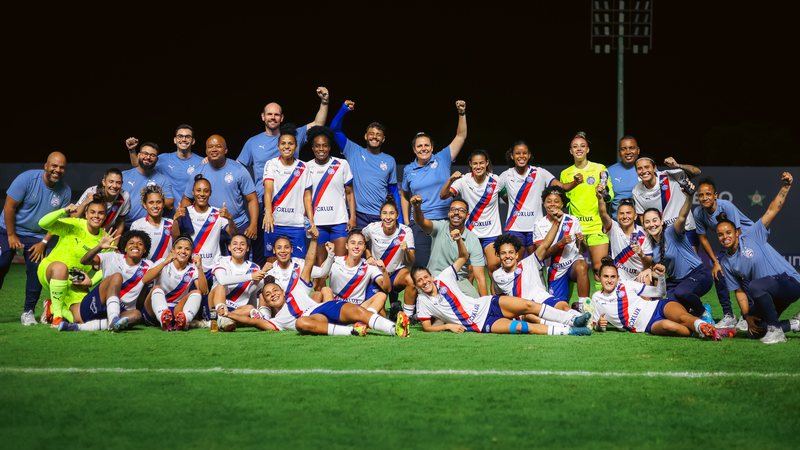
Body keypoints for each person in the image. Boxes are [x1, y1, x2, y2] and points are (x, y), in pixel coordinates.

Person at [411, 227, 591, 335]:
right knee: (522, 327)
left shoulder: (444, 277)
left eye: (425, 277)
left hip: (487, 304)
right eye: (419, 281)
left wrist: (458, 240)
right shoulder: (423, 302)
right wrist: (448, 326)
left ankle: (571, 320)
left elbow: (463, 255)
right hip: (478, 324)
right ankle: (568, 332)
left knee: (528, 305)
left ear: (431, 277)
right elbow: (427, 327)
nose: (424, 282)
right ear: (416, 285)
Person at [238, 87, 329, 265]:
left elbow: (318, 124)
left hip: (292, 206)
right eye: (269, 114)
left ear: (282, 118)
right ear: (263, 117)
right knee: (262, 253)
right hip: (262, 203)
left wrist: (324, 102)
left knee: (294, 254)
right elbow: (238, 167)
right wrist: (209, 161)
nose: (273, 117)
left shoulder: (294, 135)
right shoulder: (253, 142)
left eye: (276, 114)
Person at [717, 172, 800, 344]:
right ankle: (795, 324)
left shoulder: (752, 235)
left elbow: (772, 209)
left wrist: (786, 187)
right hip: (769, 293)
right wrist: (747, 317)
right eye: (720, 235)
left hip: (789, 282)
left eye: (728, 232)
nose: (725, 237)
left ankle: (776, 330)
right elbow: (739, 292)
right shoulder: (725, 261)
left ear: (736, 232)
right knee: (755, 331)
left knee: (754, 286)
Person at [0, 152, 71, 325]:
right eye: (54, 166)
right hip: (8, 229)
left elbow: (59, 222)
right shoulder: (26, 179)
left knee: (36, 271)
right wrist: (11, 235)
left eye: (61, 167)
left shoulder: (65, 191)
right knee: (1, 264)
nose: (57, 170)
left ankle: (28, 312)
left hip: (37, 236)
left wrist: (44, 242)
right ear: (46, 166)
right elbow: (9, 207)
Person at [400, 100, 467, 267]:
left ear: (432, 147)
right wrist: (408, 220)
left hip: (445, 221)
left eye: (426, 145)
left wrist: (461, 113)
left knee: (447, 266)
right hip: (421, 222)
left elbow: (461, 136)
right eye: (419, 146)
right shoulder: (409, 170)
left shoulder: (443, 158)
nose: (423, 148)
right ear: (414, 150)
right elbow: (404, 195)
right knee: (421, 265)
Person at [592, 258, 724, 339]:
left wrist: (660, 277)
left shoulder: (626, 284)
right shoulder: (596, 298)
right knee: (671, 327)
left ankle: (703, 327)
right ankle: (699, 324)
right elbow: (598, 325)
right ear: (599, 277)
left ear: (618, 278)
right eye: (606, 276)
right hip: (647, 325)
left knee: (683, 318)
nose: (609, 280)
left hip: (658, 306)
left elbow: (659, 292)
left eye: (613, 277)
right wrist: (599, 325)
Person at [244, 275, 410, 337]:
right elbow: (253, 322)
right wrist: (226, 314)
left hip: (323, 307)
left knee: (358, 311)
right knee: (301, 323)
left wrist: (314, 240)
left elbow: (309, 267)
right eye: (268, 294)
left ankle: (394, 329)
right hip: (315, 319)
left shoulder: (296, 291)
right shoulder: (276, 321)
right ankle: (352, 331)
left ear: (282, 290)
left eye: (275, 290)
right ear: (265, 300)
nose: (273, 294)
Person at [642, 180, 714, 322]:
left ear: (661, 221)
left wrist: (689, 197)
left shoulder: (671, 232)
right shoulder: (652, 246)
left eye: (655, 220)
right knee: (672, 302)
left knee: (682, 292)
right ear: (644, 226)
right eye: (647, 222)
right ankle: (693, 315)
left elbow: (682, 216)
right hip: (677, 281)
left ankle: (703, 312)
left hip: (698, 274)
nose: (652, 224)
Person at [58, 230, 156, 332]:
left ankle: (80, 327)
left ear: (144, 250)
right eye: (131, 243)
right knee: (117, 277)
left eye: (140, 244)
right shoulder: (112, 256)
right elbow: (84, 261)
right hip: (100, 301)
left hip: (120, 311)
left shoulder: (149, 266)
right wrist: (98, 247)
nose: (135, 245)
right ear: (125, 248)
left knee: (136, 315)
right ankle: (113, 318)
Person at [36, 197, 113, 326]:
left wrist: (91, 281)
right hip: (52, 270)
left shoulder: (106, 239)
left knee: (84, 319)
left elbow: (107, 267)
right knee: (61, 268)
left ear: (105, 216)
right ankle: (58, 317)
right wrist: (63, 211)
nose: (96, 216)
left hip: (76, 280)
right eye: (92, 212)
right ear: (86, 214)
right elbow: (42, 223)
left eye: (100, 213)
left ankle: (53, 307)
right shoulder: (74, 224)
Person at [329, 99, 403, 228]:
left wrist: (400, 221)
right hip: (357, 215)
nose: (374, 137)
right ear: (365, 136)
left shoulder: (389, 160)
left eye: (378, 135)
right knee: (356, 248)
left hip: (380, 216)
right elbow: (334, 130)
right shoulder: (353, 150)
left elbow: (394, 192)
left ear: (383, 139)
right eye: (371, 134)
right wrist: (343, 109)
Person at [496, 140, 577, 258]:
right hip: (514, 228)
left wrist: (576, 182)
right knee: (514, 266)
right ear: (512, 156)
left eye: (525, 153)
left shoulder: (540, 173)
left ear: (529, 155)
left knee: (537, 265)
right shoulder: (506, 175)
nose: (521, 156)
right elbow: (491, 191)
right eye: (518, 153)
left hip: (535, 228)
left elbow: (563, 187)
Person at [694, 177, 754, 329]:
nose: (704, 198)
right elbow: (703, 238)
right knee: (718, 272)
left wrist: (734, 262)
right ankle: (729, 315)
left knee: (742, 274)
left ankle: (748, 315)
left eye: (708, 194)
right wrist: (716, 262)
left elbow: (737, 233)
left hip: (748, 239)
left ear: (715, 195)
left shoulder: (726, 206)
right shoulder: (698, 212)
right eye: (701, 195)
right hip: (730, 243)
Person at [180, 135, 258, 247]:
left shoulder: (239, 170)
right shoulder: (199, 171)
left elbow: (252, 199)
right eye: (210, 147)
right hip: (210, 226)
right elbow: (187, 198)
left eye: (218, 146)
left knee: (239, 262)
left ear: (225, 150)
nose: (214, 149)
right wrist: (186, 224)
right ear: (206, 151)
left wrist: (253, 224)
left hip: (238, 224)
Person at [303, 125, 356, 289]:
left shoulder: (341, 164)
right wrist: (310, 222)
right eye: (317, 146)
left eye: (324, 145)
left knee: (339, 265)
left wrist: (352, 217)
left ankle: (340, 299)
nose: (321, 149)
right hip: (318, 223)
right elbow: (306, 196)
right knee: (320, 266)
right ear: (312, 148)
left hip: (339, 221)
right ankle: (321, 299)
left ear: (329, 147)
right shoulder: (306, 167)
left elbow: (349, 194)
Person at [559, 131, 614, 288]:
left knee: (599, 269)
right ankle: (569, 308)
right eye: (575, 147)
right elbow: (564, 201)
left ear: (588, 149)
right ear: (570, 150)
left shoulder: (600, 169)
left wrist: (603, 192)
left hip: (597, 226)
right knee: (571, 270)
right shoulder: (565, 174)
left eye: (582, 146)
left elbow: (610, 196)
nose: (579, 149)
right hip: (576, 229)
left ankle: (601, 307)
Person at [411, 195, 487, 297]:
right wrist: (416, 208)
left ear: (467, 216)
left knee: (475, 303)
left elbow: (480, 278)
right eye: (453, 210)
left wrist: (485, 303)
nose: (456, 213)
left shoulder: (473, 240)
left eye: (461, 210)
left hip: (459, 282)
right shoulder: (439, 227)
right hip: (435, 279)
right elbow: (421, 221)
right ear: (448, 213)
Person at [440, 149, 502, 272]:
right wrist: (450, 180)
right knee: (470, 272)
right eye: (475, 163)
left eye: (481, 163)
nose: (478, 166)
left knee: (494, 268)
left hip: (492, 233)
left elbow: (506, 196)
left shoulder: (496, 181)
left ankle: (495, 293)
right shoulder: (463, 181)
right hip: (470, 233)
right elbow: (443, 196)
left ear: (487, 163)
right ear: (470, 164)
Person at [533, 186, 591, 313]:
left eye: (556, 201)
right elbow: (541, 255)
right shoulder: (539, 225)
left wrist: (581, 241)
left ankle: (584, 308)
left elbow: (583, 250)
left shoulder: (572, 220)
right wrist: (560, 243)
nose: (552, 204)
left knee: (582, 266)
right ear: (543, 203)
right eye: (549, 201)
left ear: (562, 203)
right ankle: (573, 309)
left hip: (572, 265)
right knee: (558, 311)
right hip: (555, 270)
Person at [492, 224, 574, 313]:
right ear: (498, 255)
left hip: (542, 300)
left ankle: (578, 318)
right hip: (523, 309)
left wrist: (556, 223)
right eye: (503, 253)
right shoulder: (497, 275)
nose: (507, 256)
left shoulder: (530, 262)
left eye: (511, 252)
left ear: (516, 255)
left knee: (563, 305)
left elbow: (545, 245)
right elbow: (499, 296)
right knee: (533, 317)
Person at [173, 175, 238, 284]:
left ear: (210, 193)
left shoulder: (218, 213)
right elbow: (174, 238)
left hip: (214, 268)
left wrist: (230, 219)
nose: (202, 194)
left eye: (206, 191)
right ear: (193, 192)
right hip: (191, 268)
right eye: (198, 190)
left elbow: (233, 235)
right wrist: (175, 220)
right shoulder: (185, 212)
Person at [125, 124, 203, 211]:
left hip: (190, 213)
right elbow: (139, 165)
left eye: (187, 137)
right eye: (180, 136)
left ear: (193, 141)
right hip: (166, 214)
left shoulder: (202, 162)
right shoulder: (163, 159)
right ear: (175, 140)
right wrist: (132, 150)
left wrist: (211, 160)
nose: (184, 139)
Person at [262, 126, 313, 259]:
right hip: (274, 222)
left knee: (298, 264)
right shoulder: (271, 164)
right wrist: (268, 213)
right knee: (272, 262)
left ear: (296, 146)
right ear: (278, 146)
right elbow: (268, 190)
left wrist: (311, 222)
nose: (287, 146)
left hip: (296, 224)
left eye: (290, 143)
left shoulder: (303, 167)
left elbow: (307, 196)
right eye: (283, 143)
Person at [363, 198, 416, 320]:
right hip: (378, 276)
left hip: (396, 274)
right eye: (385, 213)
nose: (388, 217)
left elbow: (411, 260)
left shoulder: (406, 231)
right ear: (380, 215)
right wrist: (369, 256)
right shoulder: (372, 228)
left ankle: (406, 318)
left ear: (397, 215)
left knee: (411, 279)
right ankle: (393, 308)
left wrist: (407, 250)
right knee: (379, 315)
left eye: (392, 213)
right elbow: (361, 241)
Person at [141, 236, 208, 331]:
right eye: (179, 248)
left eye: (187, 249)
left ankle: (185, 320)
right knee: (156, 288)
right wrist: (165, 262)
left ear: (191, 253)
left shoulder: (193, 269)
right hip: (154, 312)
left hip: (177, 311)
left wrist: (200, 268)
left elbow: (204, 291)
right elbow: (145, 280)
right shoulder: (162, 262)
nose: (183, 251)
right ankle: (163, 317)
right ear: (173, 250)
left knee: (196, 292)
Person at [631, 156, 701, 244]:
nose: (644, 171)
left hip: (686, 228)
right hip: (663, 235)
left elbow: (697, 171)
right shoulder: (636, 191)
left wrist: (677, 165)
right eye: (639, 168)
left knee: (691, 258)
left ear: (654, 168)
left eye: (647, 167)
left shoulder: (669, 175)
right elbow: (643, 219)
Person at [208, 234, 267, 332]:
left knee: (250, 308)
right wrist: (251, 276)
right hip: (216, 304)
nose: (238, 247)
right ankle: (222, 318)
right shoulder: (221, 260)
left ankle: (225, 321)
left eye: (242, 244)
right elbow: (222, 280)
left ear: (247, 248)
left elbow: (251, 293)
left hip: (238, 309)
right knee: (220, 286)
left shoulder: (255, 268)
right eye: (235, 244)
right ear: (229, 247)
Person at [323, 229, 390, 314]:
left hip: (357, 309)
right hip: (336, 307)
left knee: (381, 295)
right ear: (347, 245)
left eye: (360, 243)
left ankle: (364, 321)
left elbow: (387, 289)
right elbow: (320, 276)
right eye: (353, 243)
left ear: (364, 247)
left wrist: (384, 271)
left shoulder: (368, 266)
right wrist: (330, 256)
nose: (356, 246)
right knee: (325, 290)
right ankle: (331, 318)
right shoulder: (335, 261)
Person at [597, 186, 653, 281]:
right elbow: (603, 214)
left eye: (628, 213)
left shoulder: (643, 233)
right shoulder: (613, 228)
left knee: (648, 277)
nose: (625, 216)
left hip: (638, 277)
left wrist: (641, 254)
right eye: (621, 213)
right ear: (617, 216)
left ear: (635, 216)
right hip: (619, 280)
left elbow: (648, 264)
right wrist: (600, 198)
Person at [121, 142, 174, 229]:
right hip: (124, 226)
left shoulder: (163, 180)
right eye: (145, 153)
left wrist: (152, 197)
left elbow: (170, 204)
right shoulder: (124, 176)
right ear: (138, 155)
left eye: (152, 155)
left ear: (156, 160)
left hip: (149, 227)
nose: (148, 157)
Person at [265, 234, 335, 299]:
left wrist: (330, 255)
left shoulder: (300, 264)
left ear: (291, 249)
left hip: (302, 305)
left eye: (286, 247)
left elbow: (322, 273)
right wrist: (262, 272)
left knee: (319, 294)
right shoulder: (270, 270)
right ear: (274, 250)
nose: (283, 251)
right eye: (279, 248)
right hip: (281, 308)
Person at [73, 168, 130, 232]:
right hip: (84, 232)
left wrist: (115, 242)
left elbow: (120, 222)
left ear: (122, 183)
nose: (114, 185)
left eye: (118, 183)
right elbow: (73, 217)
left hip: (104, 235)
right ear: (104, 182)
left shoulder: (124, 196)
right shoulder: (92, 192)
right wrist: (84, 203)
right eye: (111, 182)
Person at [130, 184, 173, 261]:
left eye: (158, 202)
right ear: (145, 205)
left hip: (167, 269)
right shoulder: (137, 225)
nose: (155, 206)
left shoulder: (171, 223)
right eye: (151, 202)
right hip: (146, 270)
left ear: (163, 204)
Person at [607, 135, 641, 214]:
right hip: (616, 222)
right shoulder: (610, 171)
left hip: (642, 223)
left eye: (632, 148)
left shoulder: (646, 169)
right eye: (623, 149)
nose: (628, 152)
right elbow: (605, 201)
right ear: (619, 153)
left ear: (638, 150)